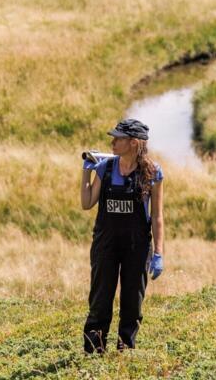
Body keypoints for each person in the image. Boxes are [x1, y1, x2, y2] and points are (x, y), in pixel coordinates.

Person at [80, 118, 164, 354]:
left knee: (132, 302)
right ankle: (93, 351)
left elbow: (157, 217)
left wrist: (158, 253)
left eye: (119, 138)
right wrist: (85, 174)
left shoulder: (152, 173)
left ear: (134, 143)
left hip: (136, 246)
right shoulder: (105, 168)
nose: (113, 142)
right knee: (100, 299)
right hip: (105, 244)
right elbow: (87, 203)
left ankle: (125, 351)